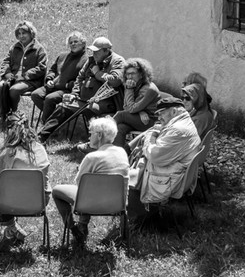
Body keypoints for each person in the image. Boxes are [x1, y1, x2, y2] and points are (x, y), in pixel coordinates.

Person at [51, 117, 130, 246]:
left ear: (99, 135)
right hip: (117, 204)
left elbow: (80, 183)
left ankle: (75, 229)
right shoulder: (122, 152)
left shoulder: (92, 157)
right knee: (91, 191)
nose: (89, 136)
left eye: (91, 133)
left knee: (57, 191)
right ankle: (82, 226)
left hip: (90, 203)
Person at [128, 92, 203, 220]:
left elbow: (155, 156)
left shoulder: (178, 130)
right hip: (177, 172)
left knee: (133, 173)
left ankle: (137, 220)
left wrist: (149, 137)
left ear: (173, 111)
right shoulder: (185, 122)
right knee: (139, 159)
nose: (159, 117)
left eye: (161, 112)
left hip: (170, 180)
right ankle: (136, 214)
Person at [36, 36, 126, 141]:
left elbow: (115, 81)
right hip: (83, 100)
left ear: (106, 51)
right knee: (62, 107)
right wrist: (74, 94)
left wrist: (98, 73)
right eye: (93, 51)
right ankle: (41, 137)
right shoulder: (91, 60)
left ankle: (92, 142)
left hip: (104, 102)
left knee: (90, 109)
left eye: (97, 52)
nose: (94, 54)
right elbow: (80, 78)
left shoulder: (118, 61)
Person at [0, 118, 50, 243]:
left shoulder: (6, 153)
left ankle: (11, 226)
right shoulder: (40, 149)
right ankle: (13, 228)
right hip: (38, 202)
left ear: (9, 132)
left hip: (7, 203)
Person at [30, 31, 89, 126]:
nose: (73, 44)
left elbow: (83, 80)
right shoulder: (62, 56)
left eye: (76, 41)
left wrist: (68, 84)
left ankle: (46, 125)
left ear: (83, 43)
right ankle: (54, 120)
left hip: (67, 90)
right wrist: (49, 79)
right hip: (52, 86)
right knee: (35, 94)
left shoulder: (86, 60)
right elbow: (52, 69)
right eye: (71, 42)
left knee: (50, 99)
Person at [0, 21, 47, 124]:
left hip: (31, 81)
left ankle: (12, 115)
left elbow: (42, 67)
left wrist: (24, 76)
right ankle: (4, 116)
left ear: (31, 33)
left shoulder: (39, 49)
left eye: (24, 33)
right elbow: (6, 61)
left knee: (14, 90)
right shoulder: (15, 47)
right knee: (0, 87)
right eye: (19, 34)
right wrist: (7, 73)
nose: (21, 36)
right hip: (13, 77)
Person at [111, 58, 159, 149]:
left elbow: (131, 109)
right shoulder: (133, 85)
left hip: (150, 121)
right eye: (127, 74)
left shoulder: (149, 89)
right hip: (138, 118)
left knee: (121, 115)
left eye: (133, 73)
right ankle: (119, 155)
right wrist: (140, 111)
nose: (129, 77)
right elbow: (126, 107)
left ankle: (100, 135)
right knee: (121, 127)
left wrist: (129, 90)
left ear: (141, 74)